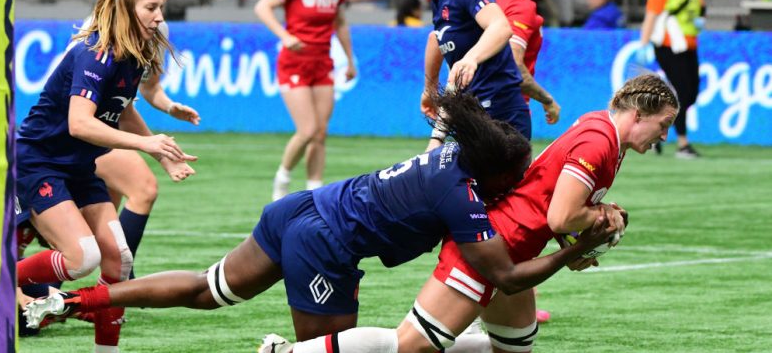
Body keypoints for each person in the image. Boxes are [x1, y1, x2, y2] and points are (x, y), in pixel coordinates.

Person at [23, 90, 616, 347]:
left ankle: (66, 303)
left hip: (298, 211)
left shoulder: (449, 154)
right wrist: (572, 251)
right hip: (325, 243)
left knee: (207, 291)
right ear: (487, 173)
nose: (514, 186)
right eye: (510, 180)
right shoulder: (462, 197)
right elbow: (506, 278)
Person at [259, 73, 679, 353]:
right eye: (662, 126)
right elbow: (562, 216)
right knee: (411, 345)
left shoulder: (605, 134)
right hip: (497, 242)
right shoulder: (598, 144)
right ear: (637, 114)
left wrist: (589, 227)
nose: (662, 136)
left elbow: (553, 203)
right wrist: (596, 222)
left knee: (515, 346)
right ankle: (291, 352)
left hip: (518, 242)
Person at [15, 0, 196, 353]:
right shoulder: (95, 53)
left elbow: (122, 108)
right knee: (83, 259)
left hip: (79, 167)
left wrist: (161, 152)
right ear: (127, 10)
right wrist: (146, 146)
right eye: (152, 7)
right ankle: (0, 284)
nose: (160, 16)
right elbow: (79, 124)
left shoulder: (133, 55)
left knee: (119, 260)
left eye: (161, 7)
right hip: (40, 162)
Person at [461, 0, 564, 325]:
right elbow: (517, 68)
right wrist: (548, 100)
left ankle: (492, 296)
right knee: (513, 210)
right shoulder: (518, 6)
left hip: (474, 113)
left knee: (478, 208)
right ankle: (502, 299)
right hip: (506, 116)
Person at [95, 0, 201, 281]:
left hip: (108, 124)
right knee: (142, 188)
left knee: (100, 218)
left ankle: (47, 294)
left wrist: (169, 108)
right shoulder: (105, 28)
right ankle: (119, 283)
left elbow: (147, 90)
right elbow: (99, 108)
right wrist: (155, 149)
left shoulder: (158, 28)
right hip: (87, 129)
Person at [254, 0, 357, 200]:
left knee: (320, 133)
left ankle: (314, 189)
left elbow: (341, 23)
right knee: (307, 129)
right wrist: (285, 35)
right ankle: (283, 177)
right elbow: (262, 7)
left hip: (322, 63)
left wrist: (349, 59)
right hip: (294, 63)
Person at [416, 0, 530, 151]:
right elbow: (436, 39)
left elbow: (500, 27)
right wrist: (430, 90)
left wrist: (471, 59)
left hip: (502, 115)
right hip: (474, 113)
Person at [462, 0, 562, 127]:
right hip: (506, 112)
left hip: (471, 108)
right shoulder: (520, 5)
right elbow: (514, 66)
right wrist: (548, 101)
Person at [639, 0, 705, 159]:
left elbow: (701, 10)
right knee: (682, 94)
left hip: (689, 47)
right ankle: (683, 144)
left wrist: (699, 22)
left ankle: (655, 130)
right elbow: (651, 17)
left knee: (692, 94)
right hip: (667, 48)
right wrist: (644, 43)